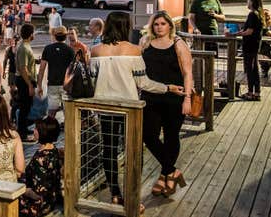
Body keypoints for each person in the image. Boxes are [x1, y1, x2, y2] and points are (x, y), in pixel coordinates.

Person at [90, 12, 184, 210]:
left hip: (105, 108)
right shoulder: (133, 50)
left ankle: (115, 195)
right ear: (126, 26)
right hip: (130, 109)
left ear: (107, 26)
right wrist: (168, 87)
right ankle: (133, 196)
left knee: (109, 150)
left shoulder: (96, 51)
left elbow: (92, 81)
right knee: (134, 152)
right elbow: (144, 83)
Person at [141, 11, 194, 197]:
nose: (159, 27)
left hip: (174, 97)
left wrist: (187, 98)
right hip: (151, 96)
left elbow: (187, 73)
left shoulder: (179, 44)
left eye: (163, 24)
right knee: (149, 136)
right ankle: (172, 171)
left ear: (170, 26)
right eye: (156, 24)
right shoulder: (145, 42)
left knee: (171, 136)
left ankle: (165, 176)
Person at [19, 116, 63, 217]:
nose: (34, 131)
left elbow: (37, 194)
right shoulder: (55, 151)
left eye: (36, 129)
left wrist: (22, 190)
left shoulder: (40, 159)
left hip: (38, 205)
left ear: (42, 133)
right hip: (51, 200)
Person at [228, 0, 264, 101]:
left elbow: (249, 31)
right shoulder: (258, 14)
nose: (247, 2)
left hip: (250, 45)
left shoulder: (252, 14)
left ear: (252, 2)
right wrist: (236, 33)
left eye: (249, 1)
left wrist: (235, 34)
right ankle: (256, 92)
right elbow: (249, 30)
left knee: (250, 69)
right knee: (254, 69)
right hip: (255, 45)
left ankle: (250, 92)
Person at [37, 26, 75, 118]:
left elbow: (42, 69)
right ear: (66, 36)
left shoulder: (48, 49)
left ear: (54, 36)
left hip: (52, 84)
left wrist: (39, 85)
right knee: (68, 113)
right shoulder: (70, 50)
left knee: (51, 112)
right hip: (66, 85)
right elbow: (73, 70)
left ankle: (50, 126)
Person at [16, 24, 38, 142]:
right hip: (24, 81)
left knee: (27, 106)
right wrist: (29, 84)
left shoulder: (25, 46)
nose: (34, 35)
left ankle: (23, 128)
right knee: (24, 107)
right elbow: (23, 68)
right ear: (30, 34)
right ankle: (22, 133)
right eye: (33, 32)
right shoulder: (24, 48)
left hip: (26, 80)